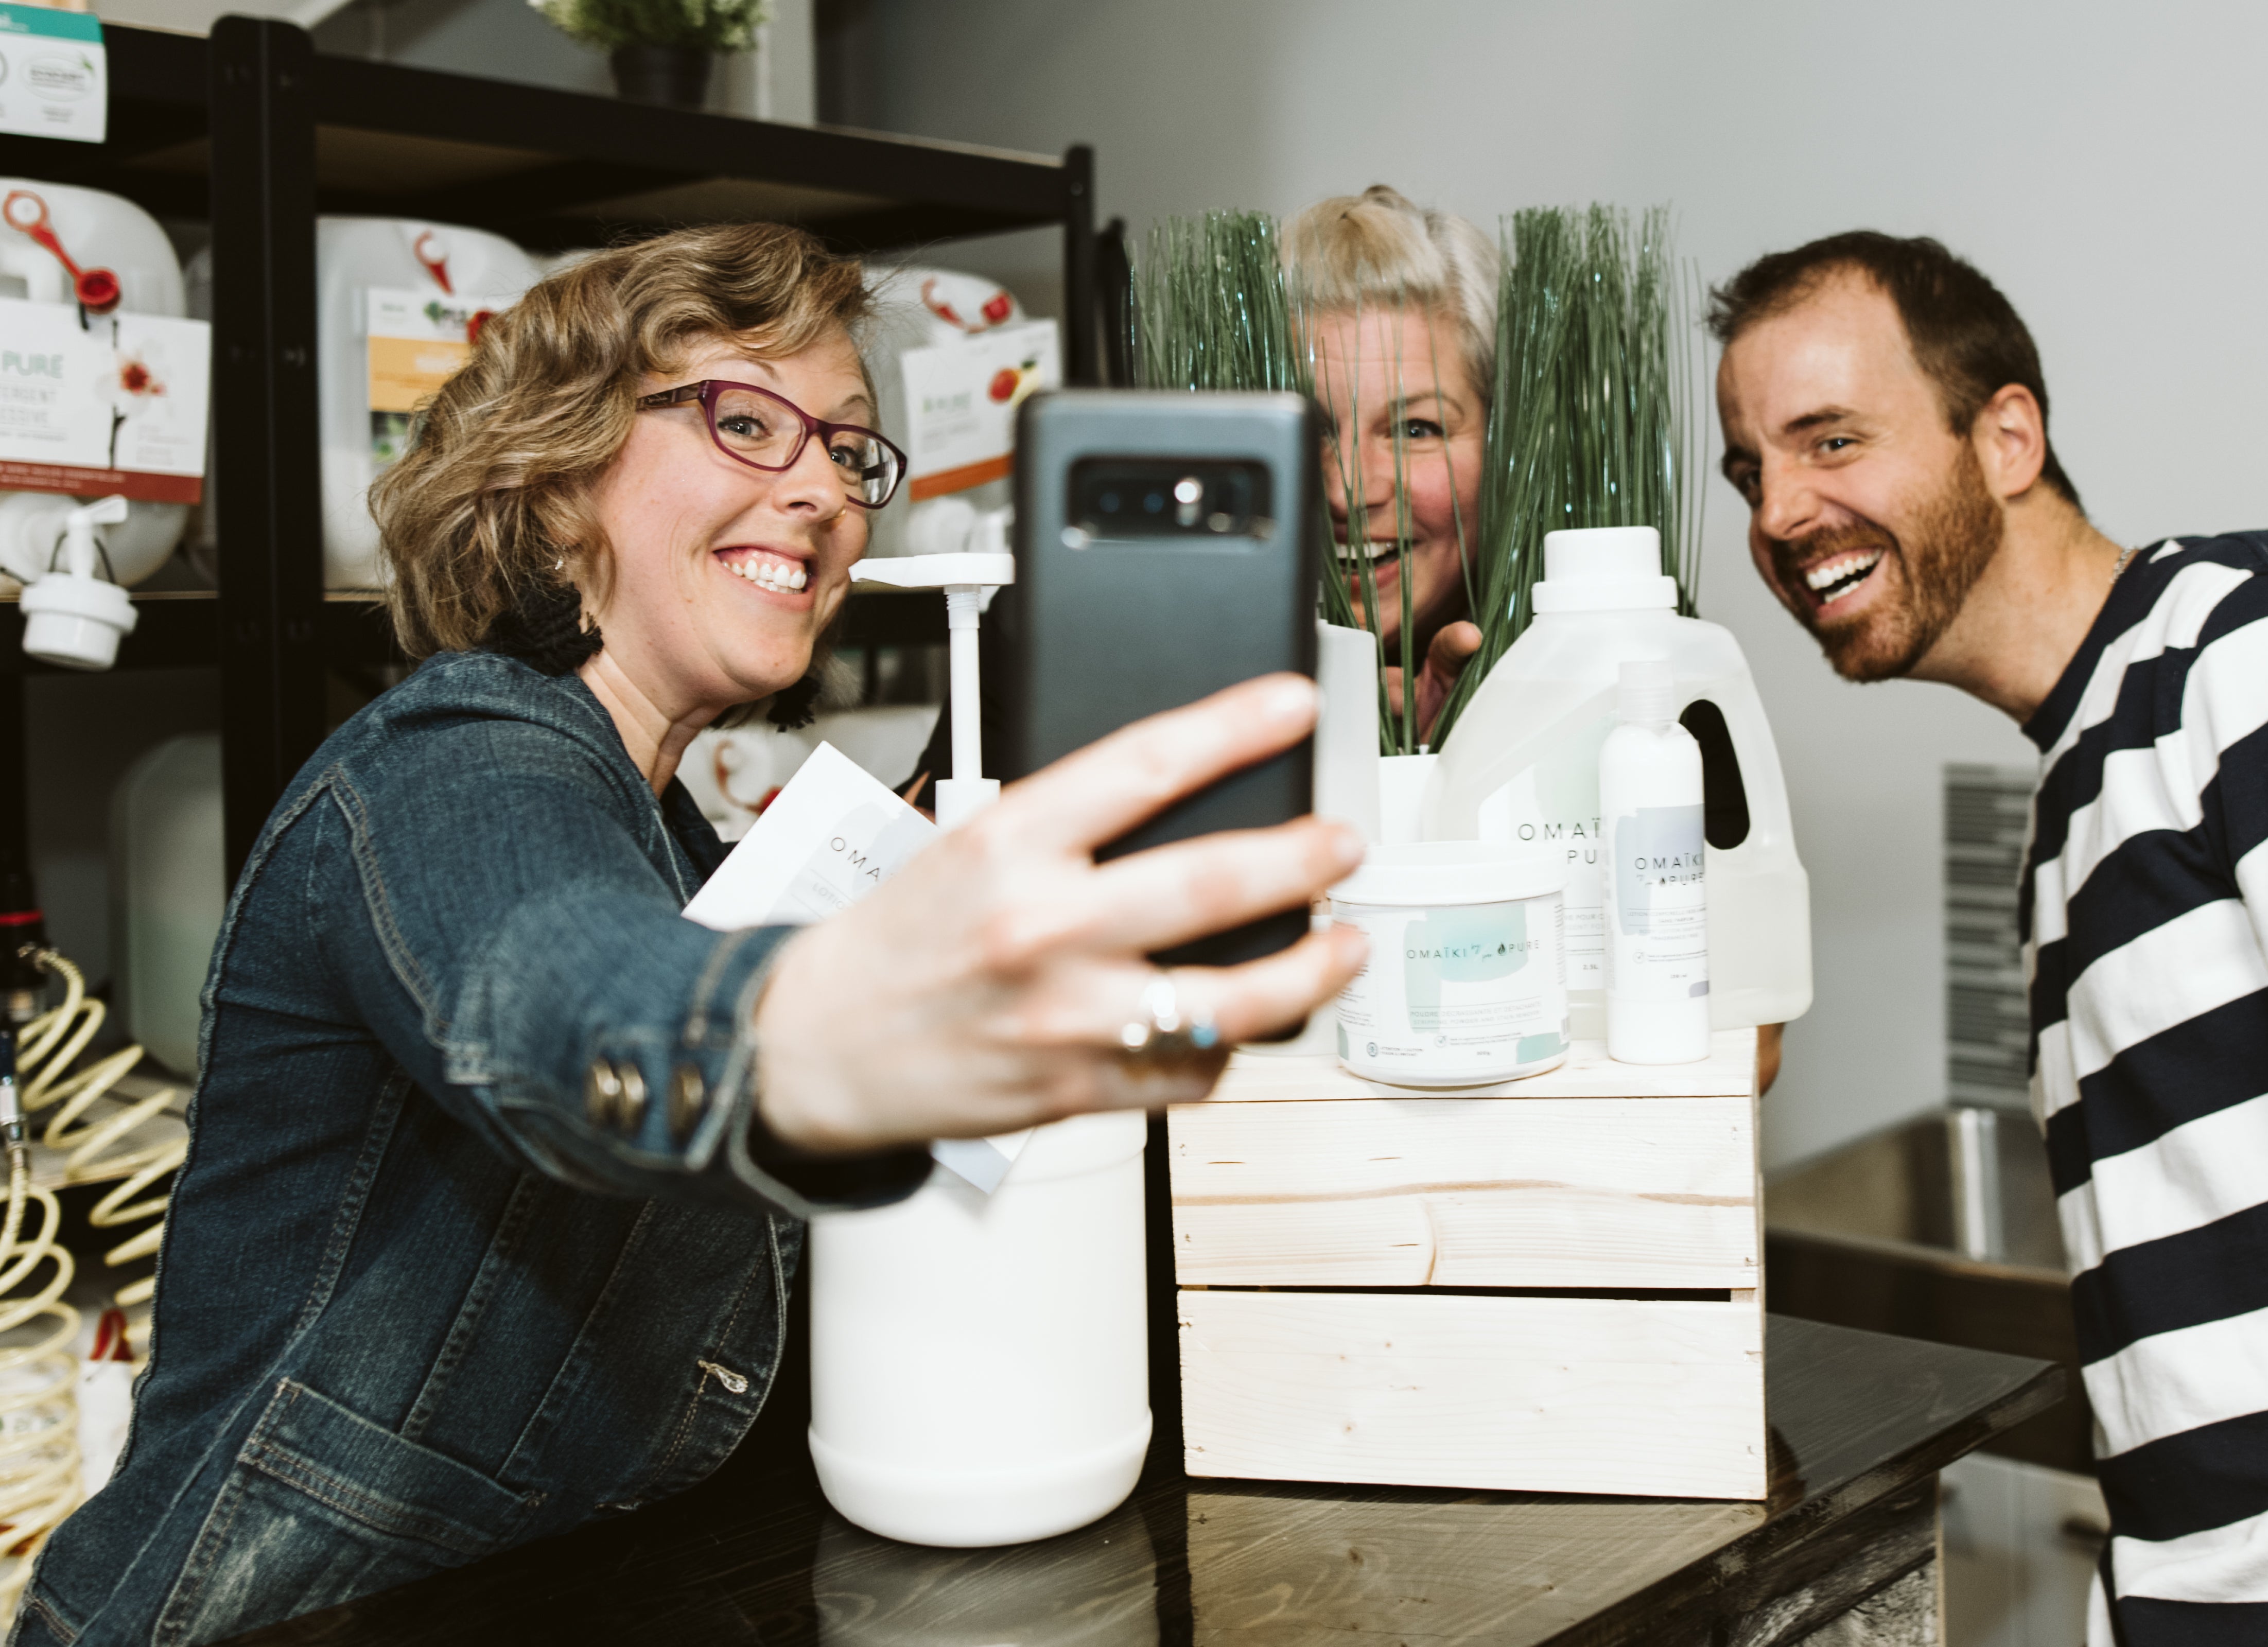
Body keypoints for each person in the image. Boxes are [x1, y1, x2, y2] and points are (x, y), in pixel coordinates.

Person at [13, 224, 1366, 1646]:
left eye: (850, 451)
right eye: (743, 422)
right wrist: (811, 1043)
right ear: (556, 470)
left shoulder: (680, 837)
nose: (822, 493)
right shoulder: (443, 766)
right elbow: (560, 1000)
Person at [1708, 231, 2268, 1647]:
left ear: (2006, 437)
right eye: (1752, 468)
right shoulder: (2079, 793)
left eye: (1830, 440)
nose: (1780, 510)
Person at [1283, 185, 1494, 742]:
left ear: (1507, 442)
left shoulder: (1633, 651)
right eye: (1311, 429)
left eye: (1415, 429)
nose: (1347, 492)